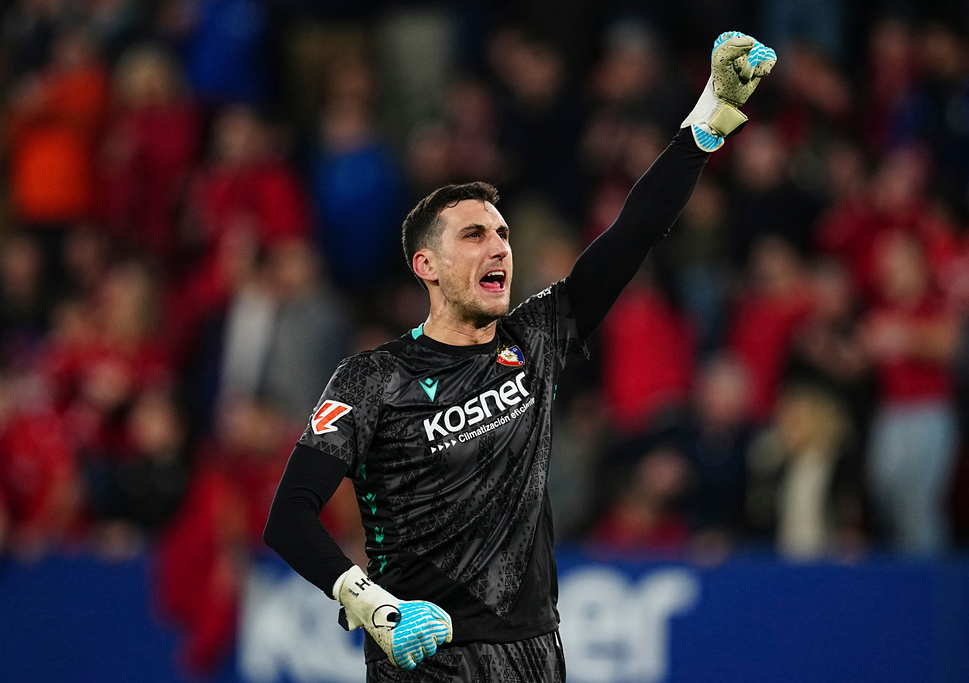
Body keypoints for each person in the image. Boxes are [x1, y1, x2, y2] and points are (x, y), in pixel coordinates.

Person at [264, 31, 776, 681]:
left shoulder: (535, 338)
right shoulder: (372, 378)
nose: (499, 248)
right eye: (474, 234)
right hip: (427, 658)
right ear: (427, 265)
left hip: (536, 655)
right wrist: (377, 609)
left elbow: (634, 230)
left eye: (503, 234)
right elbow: (288, 517)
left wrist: (707, 120)